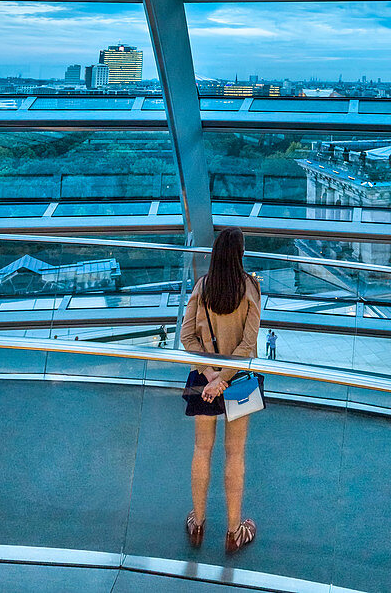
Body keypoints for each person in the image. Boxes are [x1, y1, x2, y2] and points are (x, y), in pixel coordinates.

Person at [181, 226, 261, 552]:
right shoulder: (250, 288)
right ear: (240, 255)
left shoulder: (202, 287)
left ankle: (198, 524)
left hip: (203, 379)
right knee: (235, 453)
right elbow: (248, 345)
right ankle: (233, 530)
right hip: (238, 380)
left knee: (202, 450)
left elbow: (187, 338)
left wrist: (210, 375)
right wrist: (225, 378)